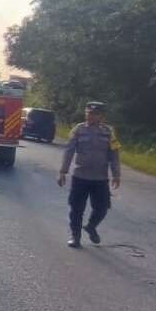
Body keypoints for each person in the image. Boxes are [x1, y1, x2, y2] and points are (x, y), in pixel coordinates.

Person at [59, 101, 121, 248]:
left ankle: (91, 226)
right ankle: (75, 236)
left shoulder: (109, 132)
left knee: (102, 208)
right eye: (89, 113)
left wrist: (116, 174)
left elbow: (114, 154)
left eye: (95, 114)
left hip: (100, 178)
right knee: (76, 208)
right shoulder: (78, 130)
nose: (91, 116)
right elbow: (69, 151)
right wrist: (62, 171)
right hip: (80, 176)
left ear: (101, 116)